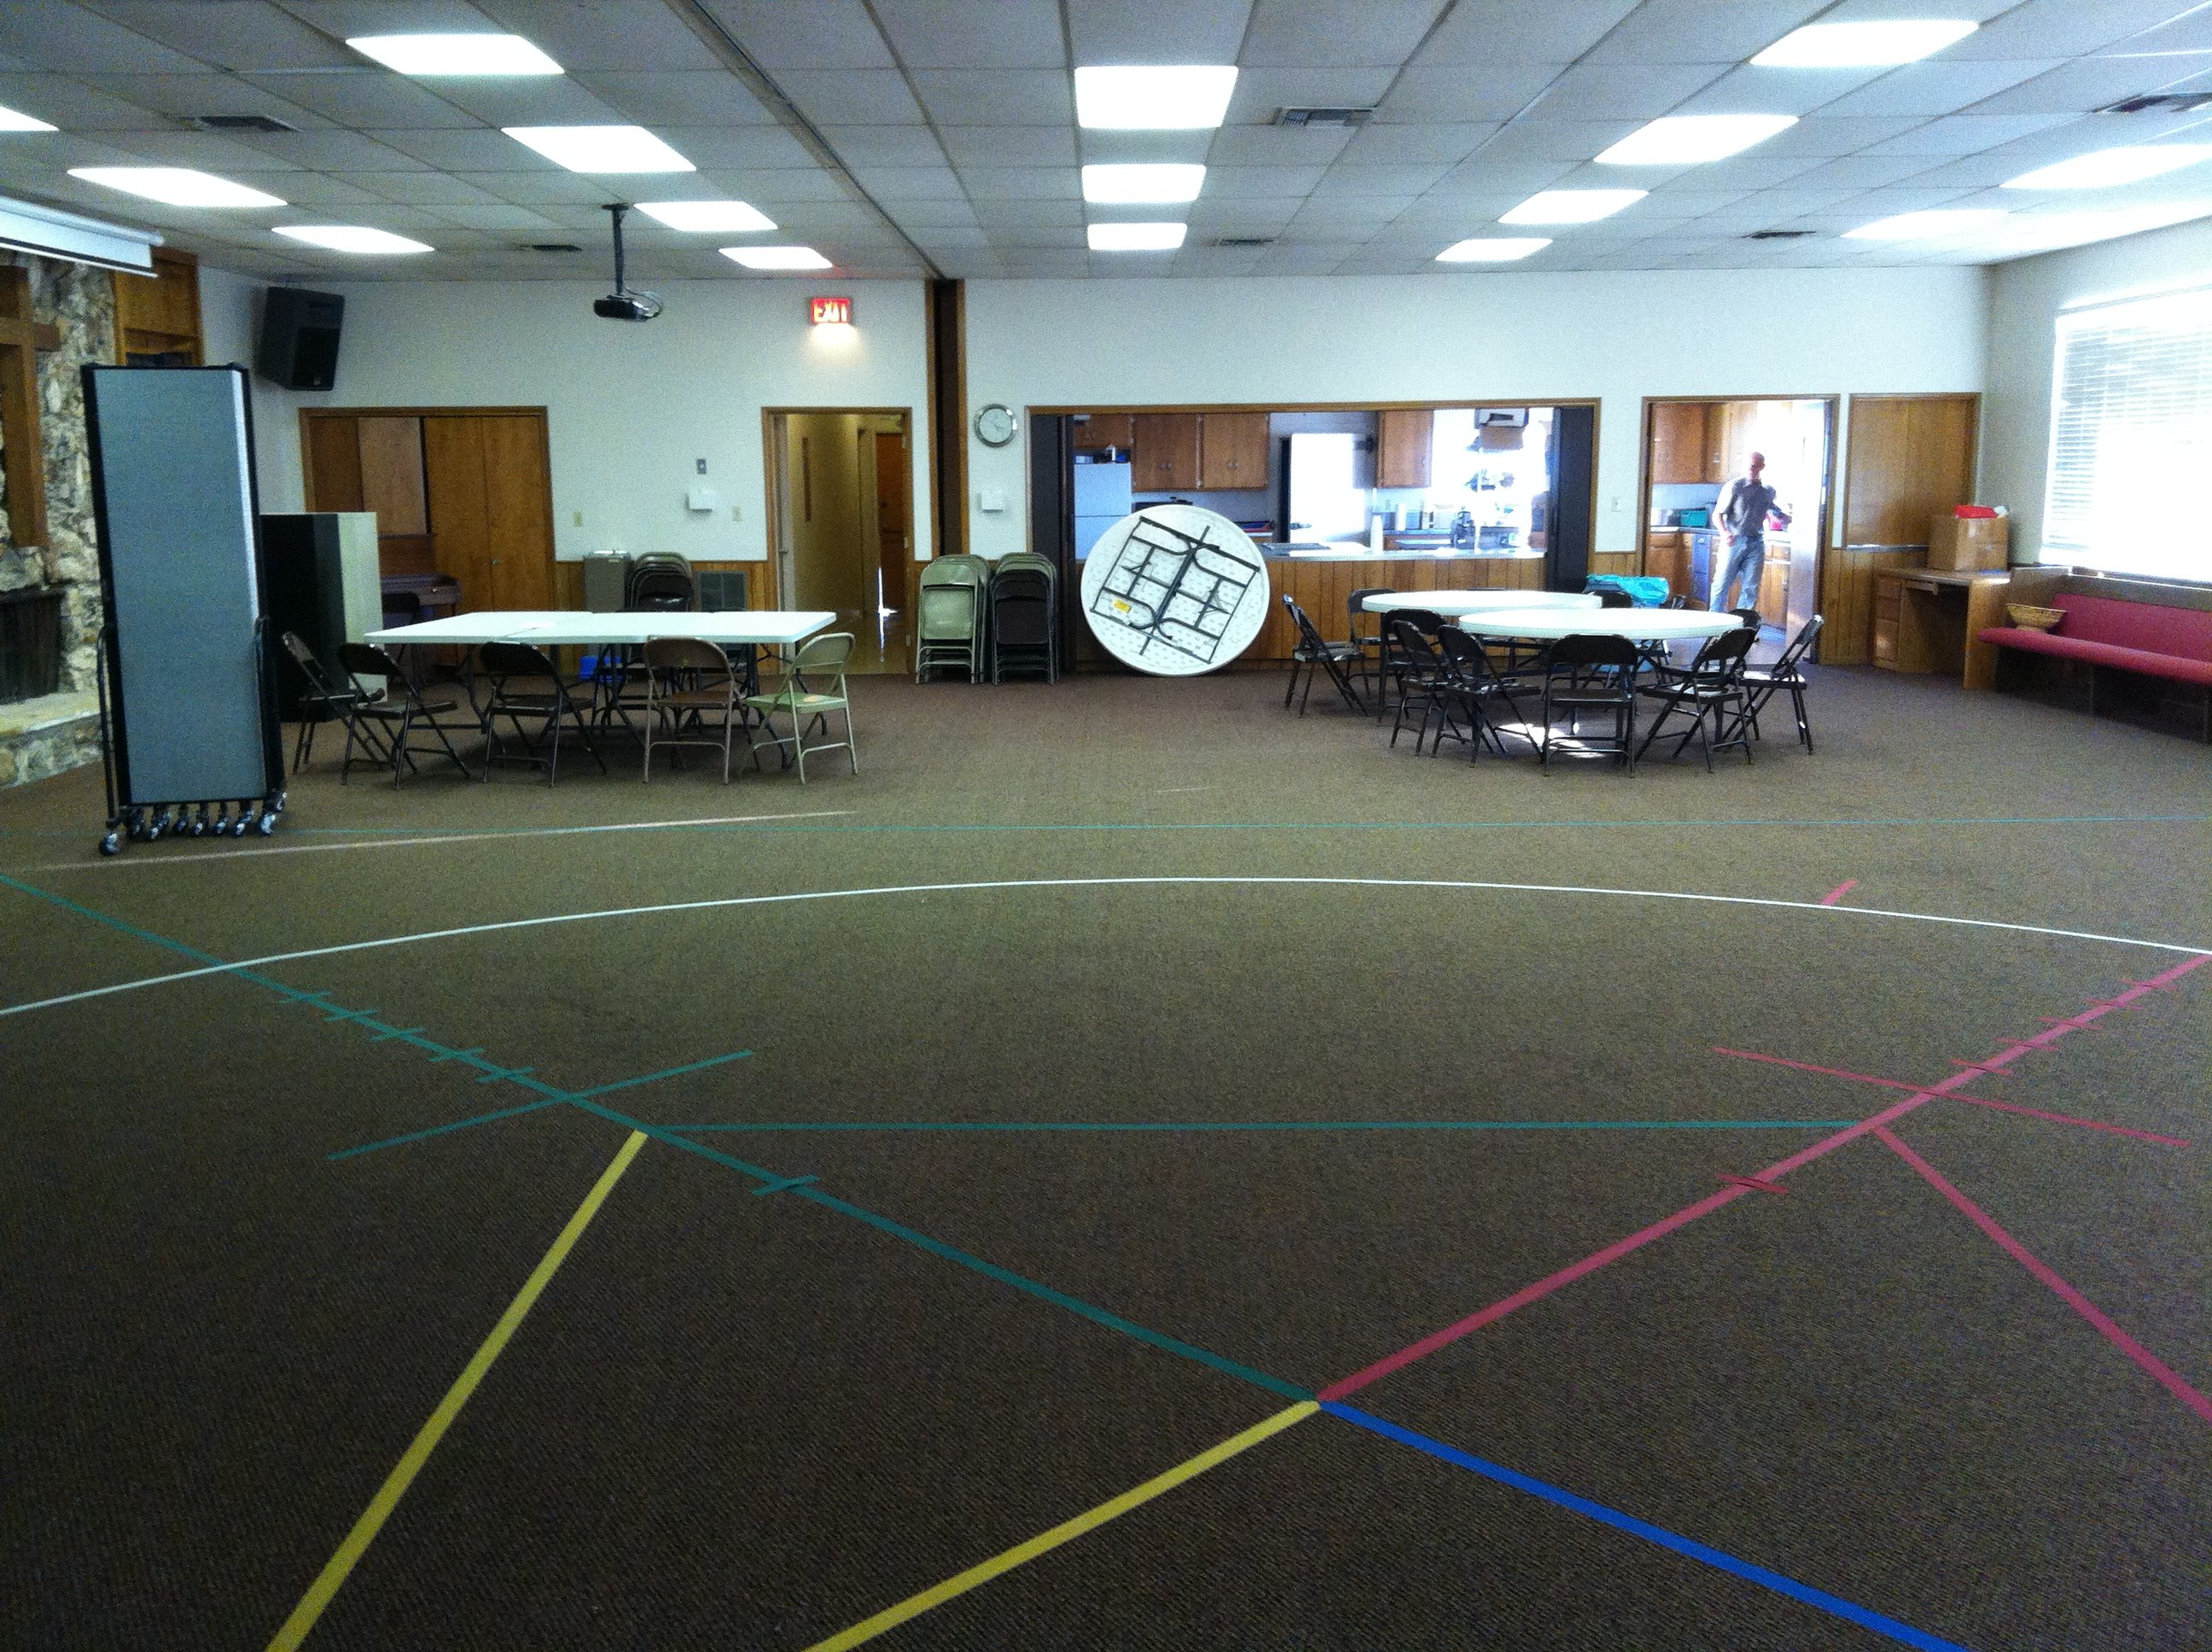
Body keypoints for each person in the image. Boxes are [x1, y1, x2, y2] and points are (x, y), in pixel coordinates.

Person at [1712, 451, 1790, 614]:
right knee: (1722, 583)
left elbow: (1774, 511)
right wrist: (1724, 533)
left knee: (1751, 587)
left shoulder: (1768, 491)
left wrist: (1786, 517)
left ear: (1762, 467)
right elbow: (1717, 514)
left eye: (1754, 466)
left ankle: (1743, 627)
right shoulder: (1734, 487)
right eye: (1748, 466)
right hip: (1733, 540)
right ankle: (1714, 622)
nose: (1751, 469)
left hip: (1756, 542)